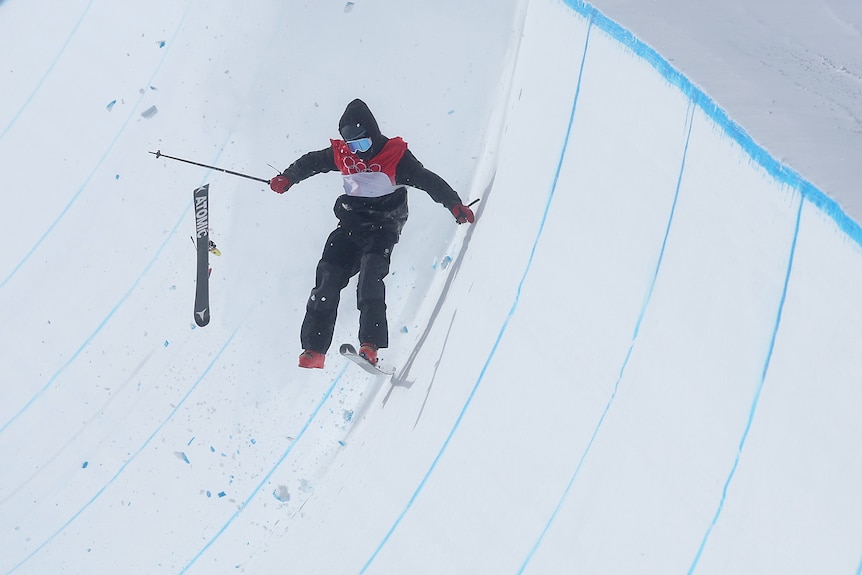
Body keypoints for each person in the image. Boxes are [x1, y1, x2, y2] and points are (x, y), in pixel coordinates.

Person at [270, 99, 476, 369]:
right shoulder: (343, 154)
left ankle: (370, 344)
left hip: (384, 226)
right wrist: (288, 178)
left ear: (373, 134)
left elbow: (427, 180)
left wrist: (454, 203)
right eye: (352, 146)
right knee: (327, 277)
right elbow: (311, 162)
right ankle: (314, 348)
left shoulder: (395, 156)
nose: (358, 152)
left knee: (370, 276)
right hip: (351, 224)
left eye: (363, 145)